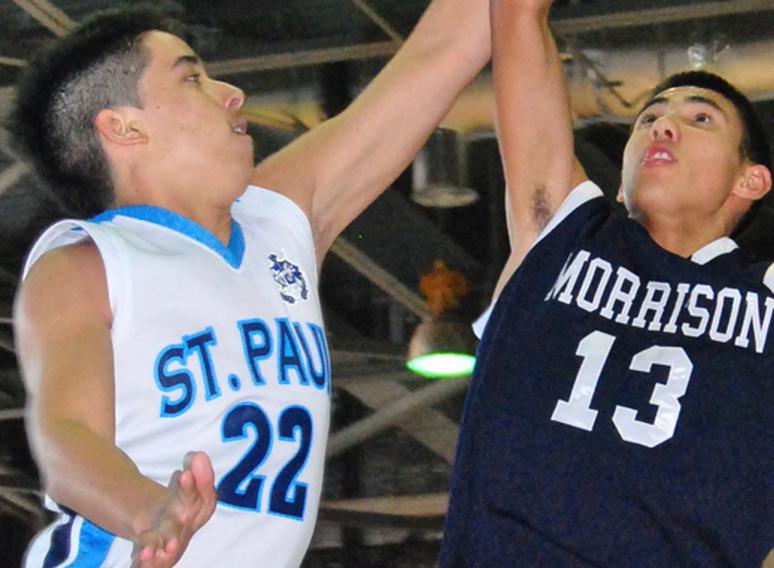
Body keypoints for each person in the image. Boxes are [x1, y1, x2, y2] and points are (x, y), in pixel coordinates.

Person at [11, 3, 489, 567]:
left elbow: (449, 44)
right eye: (192, 78)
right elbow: (65, 437)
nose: (232, 92)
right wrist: (148, 511)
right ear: (123, 126)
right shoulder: (88, 262)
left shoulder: (277, 220)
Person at [440, 0, 774, 566]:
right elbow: (515, 16)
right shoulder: (562, 233)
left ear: (750, 180)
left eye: (699, 117)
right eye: (649, 116)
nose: (663, 123)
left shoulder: (770, 296)